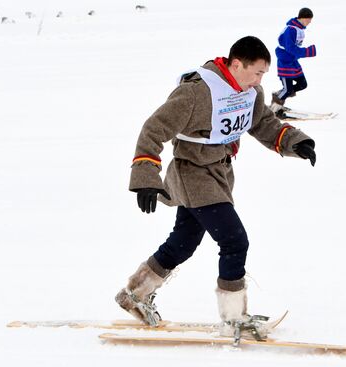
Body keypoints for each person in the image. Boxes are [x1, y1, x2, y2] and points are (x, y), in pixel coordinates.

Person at [115, 36, 317, 338]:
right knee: (235, 241)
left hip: (219, 174)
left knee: (183, 241)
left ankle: (134, 294)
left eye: (264, 74)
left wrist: (294, 141)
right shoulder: (197, 93)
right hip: (193, 174)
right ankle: (234, 318)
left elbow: (262, 122)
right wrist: (146, 177)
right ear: (236, 64)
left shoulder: (249, 91)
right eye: (257, 73)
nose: (261, 80)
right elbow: (154, 129)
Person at [271, 7, 317, 116]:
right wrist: (307, 52)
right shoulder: (291, 29)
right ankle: (275, 110)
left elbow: (294, 48)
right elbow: (290, 48)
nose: (310, 22)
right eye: (309, 19)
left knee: (302, 84)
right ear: (303, 18)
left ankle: (279, 95)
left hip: (293, 61)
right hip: (285, 61)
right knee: (287, 90)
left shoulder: (299, 29)